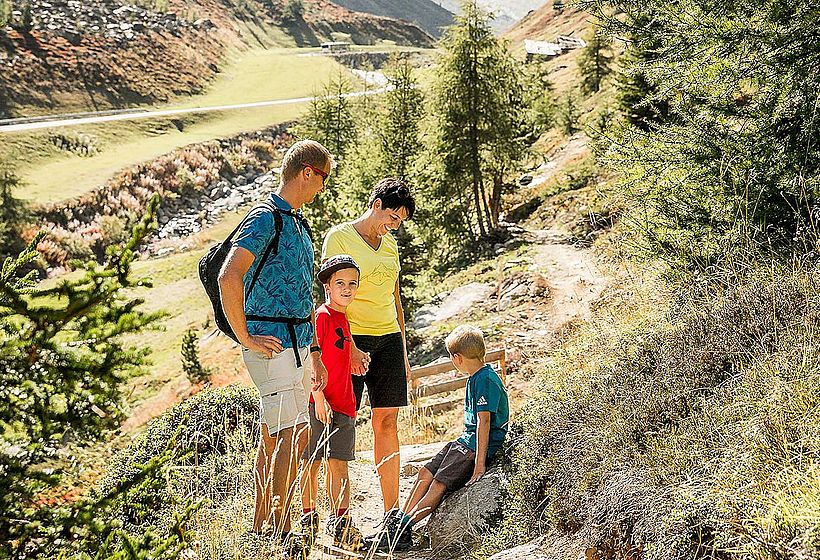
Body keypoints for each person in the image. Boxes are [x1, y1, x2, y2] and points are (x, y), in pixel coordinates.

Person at [218, 139, 333, 557]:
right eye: (323, 178)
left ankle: (262, 522)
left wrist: (316, 352)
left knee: (282, 434)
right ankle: (282, 532)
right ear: (307, 172)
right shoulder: (265, 218)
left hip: (299, 345)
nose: (323, 187)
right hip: (272, 346)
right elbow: (229, 277)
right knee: (287, 435)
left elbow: (304, 293)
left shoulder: (297, 223)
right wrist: (245, 337)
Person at [321, 178, 416, 519]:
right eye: (393, 217)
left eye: (401, 221)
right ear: (376, 204)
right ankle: (340, 517)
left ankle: (393, 514)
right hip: (351, 338)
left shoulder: (390, 248)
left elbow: (396, 299)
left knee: (387, 421)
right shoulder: (339, 237)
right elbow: (331, 298)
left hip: (388, 338)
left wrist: (403, 352)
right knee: (342, 423)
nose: (395, 225)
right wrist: (349, 348)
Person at [367, 325, 509, 551]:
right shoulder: (475, 376)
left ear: (457, 358)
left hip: (475, 447)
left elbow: (485, 422)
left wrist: (479, 465)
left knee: (439, 484)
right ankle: (397, 522)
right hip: (464, 442)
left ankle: (403, 528)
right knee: (425, 473)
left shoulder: (486, 380)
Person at [299, 254, 365, 551]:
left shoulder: (344, 318)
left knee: (339, 464)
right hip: (321, 402)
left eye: (352, 283)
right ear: (328, 286)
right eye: (340, 283)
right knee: (311, 463)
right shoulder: (322, 316)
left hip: (345, 404)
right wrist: (318, 398)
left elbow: (340, 356)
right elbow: (311, 362)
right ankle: (308, 519)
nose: (347, 288)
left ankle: (341, 522)